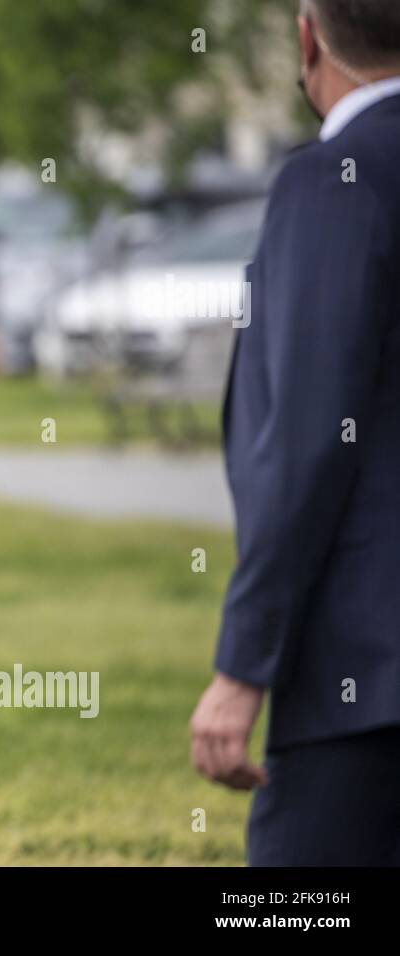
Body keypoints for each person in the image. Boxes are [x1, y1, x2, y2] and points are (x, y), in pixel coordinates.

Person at [189, 0, 400, 865]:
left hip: (366, 681)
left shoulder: (335, 178)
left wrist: (243, 669)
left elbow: (311, 437)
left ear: (309, 36)